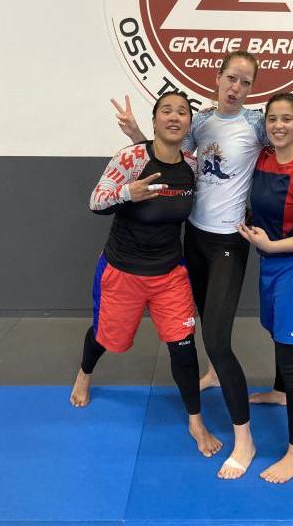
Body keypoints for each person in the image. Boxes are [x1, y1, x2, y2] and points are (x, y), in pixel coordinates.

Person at [113, 51, 293, 479]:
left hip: (229, 242)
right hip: (194, 235)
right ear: (217, 78)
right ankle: (215, 374)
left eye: (246, 82)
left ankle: (244, 439)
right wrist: (138, 133)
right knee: (203, 317)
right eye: (231, 78)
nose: (237, 87)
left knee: (216, 338)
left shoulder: (256, 124)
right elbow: (169, 152)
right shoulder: (199, 122)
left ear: (251, 88)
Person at [70, 91, 222, 459]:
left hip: (169, 273)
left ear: (188, 124)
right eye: (166, 110)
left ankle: (195, 421)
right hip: (123, 270)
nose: (174, 116)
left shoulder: (192, 164)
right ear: (154, 121)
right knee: (106, 337)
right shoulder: (131, 158)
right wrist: (127, 192)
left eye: (182, 112)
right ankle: (84, 373)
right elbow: (96, 200)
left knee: (183, 347)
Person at [237, 92, 293, 483]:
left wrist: (273, 246)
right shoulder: (263, 156)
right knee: (276, 333)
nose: (278, 125)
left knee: (292, 360)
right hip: (270, 263)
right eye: (272, 118)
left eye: (287, 119)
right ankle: (279, 392)